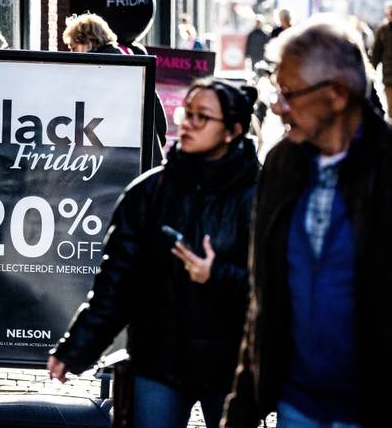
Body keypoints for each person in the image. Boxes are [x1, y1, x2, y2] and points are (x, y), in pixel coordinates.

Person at [222, 14, 392, 428]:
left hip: (391, 410)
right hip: (297, 409)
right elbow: (265, 299)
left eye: (288, 93)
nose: (277, 106)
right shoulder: (280, 163)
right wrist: (242, 407)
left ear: (338, 94)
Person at [48, 77, 259, 428]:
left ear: (232, 131)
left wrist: (216, 275)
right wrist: (76, 349)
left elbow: (281, 285)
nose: (186, 123)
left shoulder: (261, 196)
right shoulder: (148, 192)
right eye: (186, 113)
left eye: (201, 117)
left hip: (230, 365)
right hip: (159, 361)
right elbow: (116, 283)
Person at [62, 12, 168, 165]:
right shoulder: (130, 63)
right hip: (142, 157)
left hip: (118, 161)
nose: (71, 53)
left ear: (89, 42)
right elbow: (158, 113)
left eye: (73, 47)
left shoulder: (99, 70)